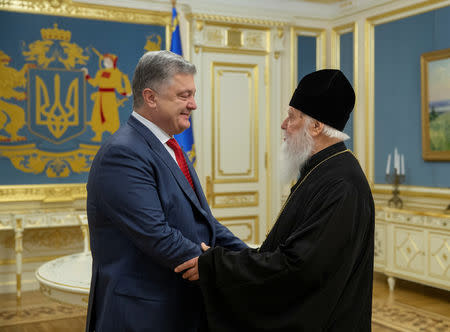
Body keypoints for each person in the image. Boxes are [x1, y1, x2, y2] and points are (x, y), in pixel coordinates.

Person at [176, 69, 375, 331]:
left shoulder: (341, 184)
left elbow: (299, 268)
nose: (283, 124)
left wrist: (217, 266)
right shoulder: (322, 170)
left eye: (291, 117)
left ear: (315, 126)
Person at [86, 50, 247, 332]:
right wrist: (219, 267)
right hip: (141, 315)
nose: (193, 105)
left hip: (179, 308)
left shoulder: (171, 147)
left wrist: (249, 259)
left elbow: (204, 222)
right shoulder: (123, 153)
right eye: (184, 96)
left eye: (193, 95)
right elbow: (156, 234)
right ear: (150, 97)